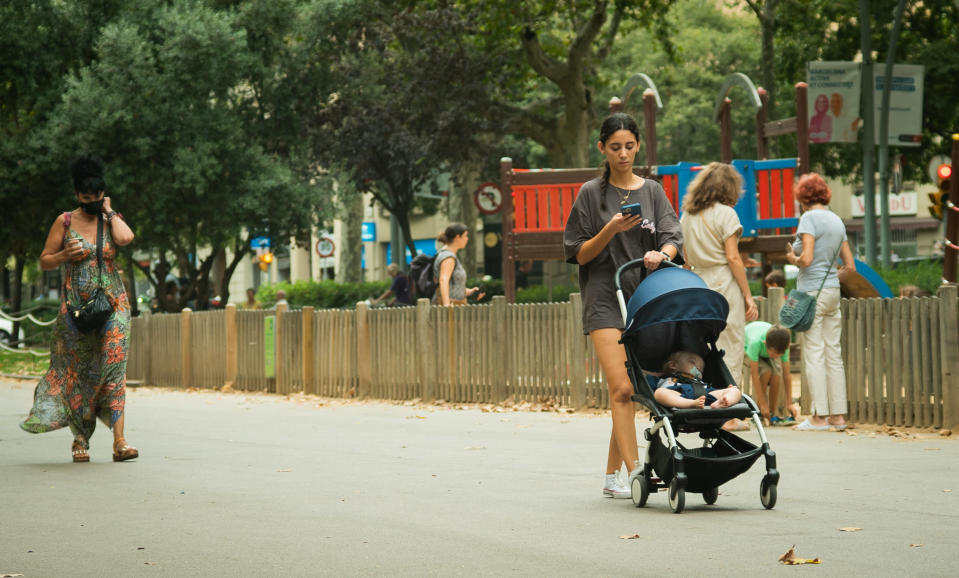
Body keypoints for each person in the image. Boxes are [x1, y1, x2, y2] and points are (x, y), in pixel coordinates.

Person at [563, 112, 683, 499]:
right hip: (604, 298)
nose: (623, 154)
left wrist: (661, 254)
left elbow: (672, 236)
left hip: (646, 298)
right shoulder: (589, 194)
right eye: (615, 147)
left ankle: (611, 475)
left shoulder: (652, 191)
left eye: (629, 146)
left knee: (633, 389)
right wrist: (610, 229)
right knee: (620, 389)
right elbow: (579, 254)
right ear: (602, 148)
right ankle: (636, 473)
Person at [21, 155, 138, 462]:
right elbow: (45, 259)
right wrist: (63, 256)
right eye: (86, 197)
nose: (92, 201)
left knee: (115, 366)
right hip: (76, 309)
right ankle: (80, 439)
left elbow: (126, 238)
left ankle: (120, 441)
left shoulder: (110, 218)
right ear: (77, 194)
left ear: (103, 193)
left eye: (97, 196)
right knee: (78, 373)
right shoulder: (66, 221)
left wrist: (109, 211)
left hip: (114, 304)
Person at [784, 173, 855, 431]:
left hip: (811, 291)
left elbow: (807, 259)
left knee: (814, 353)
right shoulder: (837, 220)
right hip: (833, 291)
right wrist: (831, 278)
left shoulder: (808, 218)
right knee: (833, 353)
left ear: (803, 196)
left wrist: (793, 257)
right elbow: (850, 266)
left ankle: (818, 416)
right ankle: (838, 416)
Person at [680, 162, 759, 388]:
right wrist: (747, 295)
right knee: (731, 344)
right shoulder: (727, 214)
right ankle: (730, 410)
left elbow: (684, 261)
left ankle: (707, 400)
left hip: (697, 284)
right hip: (723, 282)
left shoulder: (686, 216)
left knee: (703, 346)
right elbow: (733, 258)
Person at [744, 321, 794, 425]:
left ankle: (771, 414)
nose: (777, 357)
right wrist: (763, 404)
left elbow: (787, 375)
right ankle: (759, 413)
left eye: (779, 355)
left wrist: (790, 403)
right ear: (765, 344)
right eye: (774, 354)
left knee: (777, 375)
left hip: (765, 353)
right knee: (766, 371)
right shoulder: (756, 342)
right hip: (747, 349)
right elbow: (754, 374)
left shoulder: (782, 346)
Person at [654, 351, 742, 409]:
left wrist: (726, 391)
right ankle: (691, 404)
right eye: (692, 362)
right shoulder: (667, 379)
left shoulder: (700, 381)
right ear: (673, 365)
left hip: (706, 394)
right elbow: (649, 373)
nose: (698, 368)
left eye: (701, 368)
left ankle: (723, 402)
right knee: (659, 393)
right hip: (681, 395)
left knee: (735, 390)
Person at [432, 223, 484, 307]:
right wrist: (446, 306)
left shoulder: (449, 255)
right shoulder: (448, 257)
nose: (467, 239)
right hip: (451, 307)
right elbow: (443, 280)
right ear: (457, 237)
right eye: (465, 236)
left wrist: (469, 292)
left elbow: (452, 287)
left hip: (456, 305)